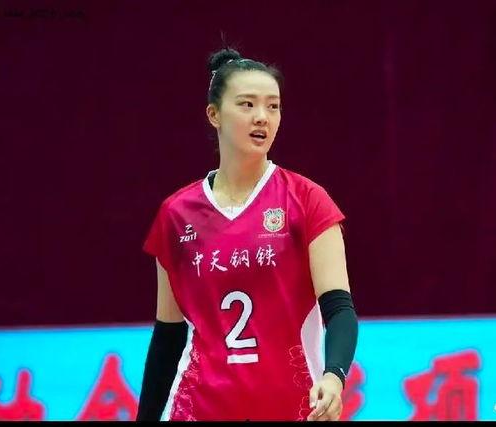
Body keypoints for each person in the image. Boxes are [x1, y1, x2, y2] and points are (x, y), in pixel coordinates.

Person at [136, 47, 358, 422]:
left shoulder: (307, 200)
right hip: (199, 408)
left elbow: (339, 309)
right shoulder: (176, 214)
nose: (262, 117)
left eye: (273, 106)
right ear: (214, 114)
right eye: (247, 104)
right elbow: (168, 336)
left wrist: (334, 376)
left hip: (292, 408)